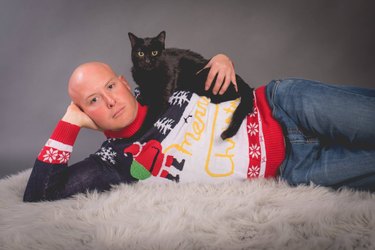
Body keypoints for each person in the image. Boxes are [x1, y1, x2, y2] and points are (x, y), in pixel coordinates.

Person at [23, 57, 375, 202]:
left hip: (284, 106)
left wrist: (220, 58)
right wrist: (67, 124)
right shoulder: (112, 162)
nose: (110, 101)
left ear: (123, 83)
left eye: (110, 88)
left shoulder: (163, 82)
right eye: (94, 101)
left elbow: (212, 66)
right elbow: (39, 193)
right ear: (86, 114)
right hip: (294, 168)